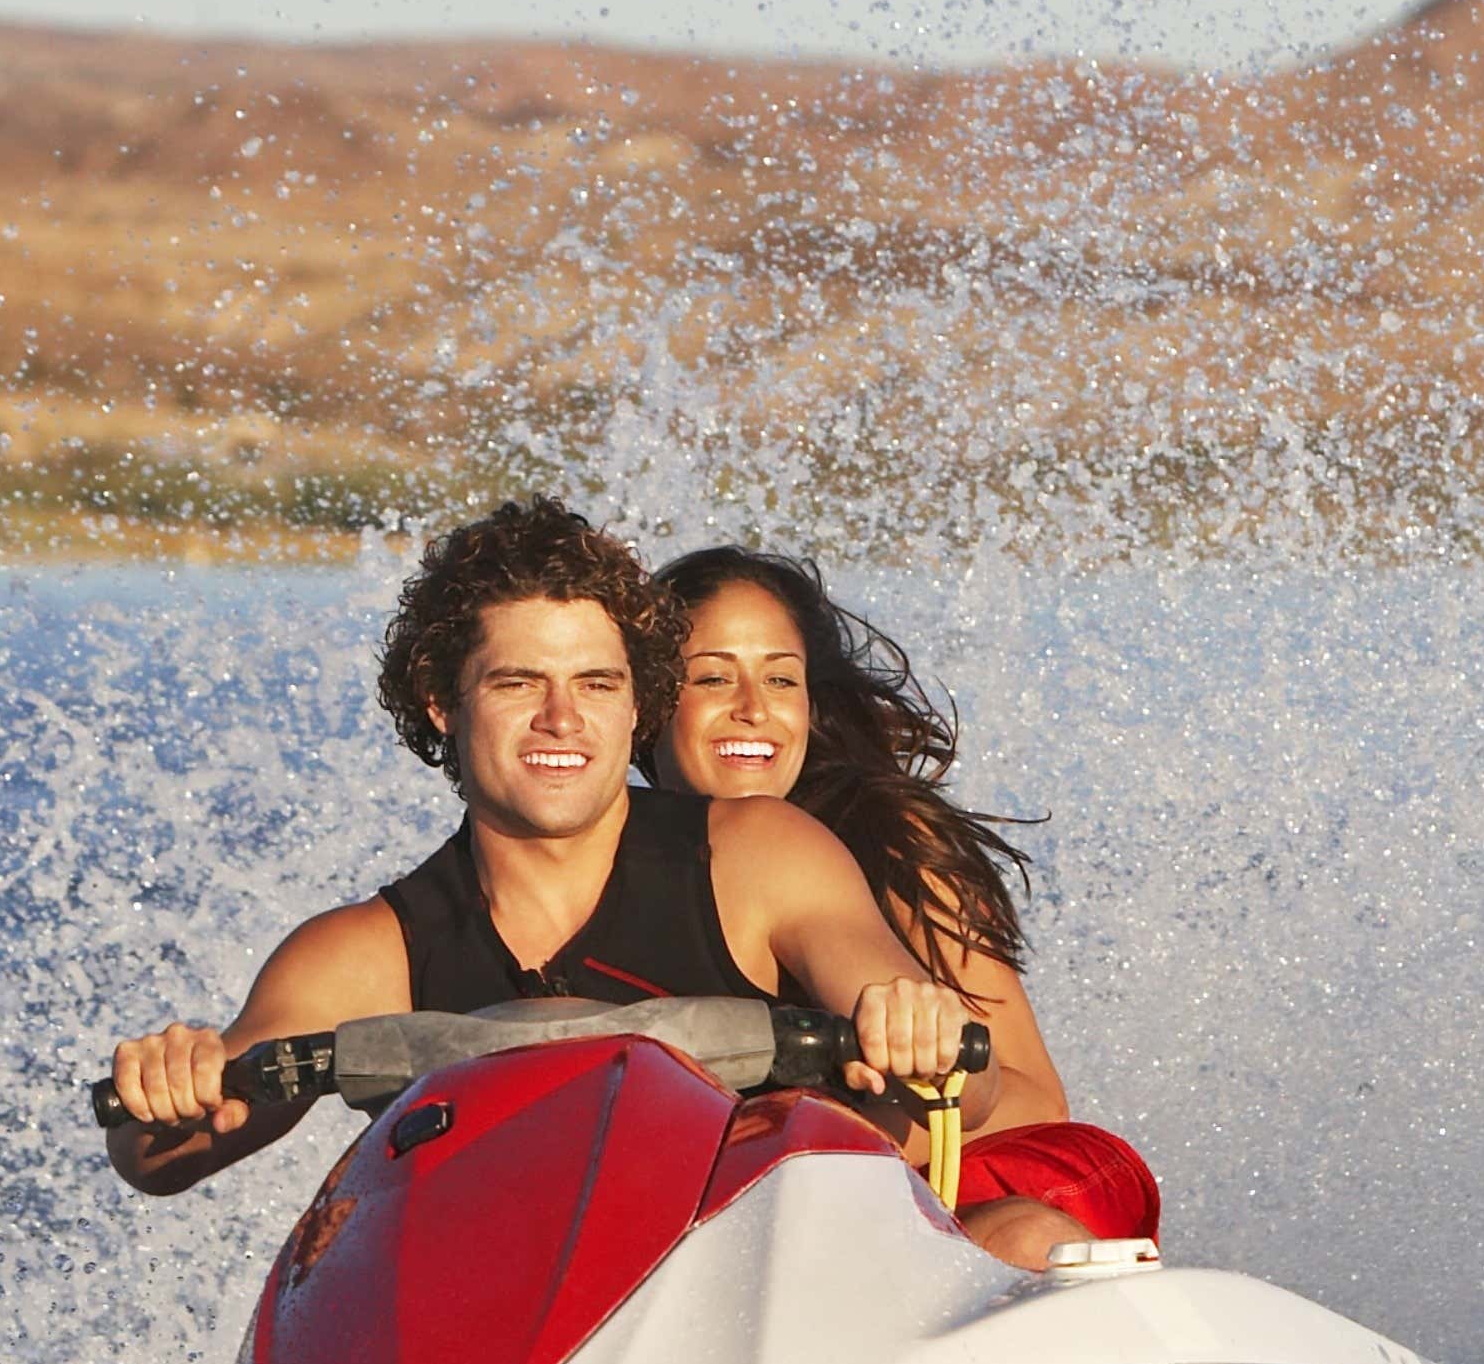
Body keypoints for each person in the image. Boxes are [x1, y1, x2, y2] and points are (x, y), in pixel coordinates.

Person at [97, 499, 986, 1199]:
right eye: (519, 682)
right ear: (442, 701)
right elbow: (156, 1157)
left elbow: (964, 1080)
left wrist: (922, 1026)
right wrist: (164, 1088)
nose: (563, 720)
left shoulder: (759, 856)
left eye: (597, 683)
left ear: (638, 704)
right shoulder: (363, 955)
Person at [648, 546, 1160, 1269]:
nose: (753, 708)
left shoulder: (891, 838)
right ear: (644, 700)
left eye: (780, 678)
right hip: (714, 1234)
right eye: (711, 676)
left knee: (1023, 1236)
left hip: (952, 1190)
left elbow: (1036, 1094)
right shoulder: (591, 870)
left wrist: (827, 1153)